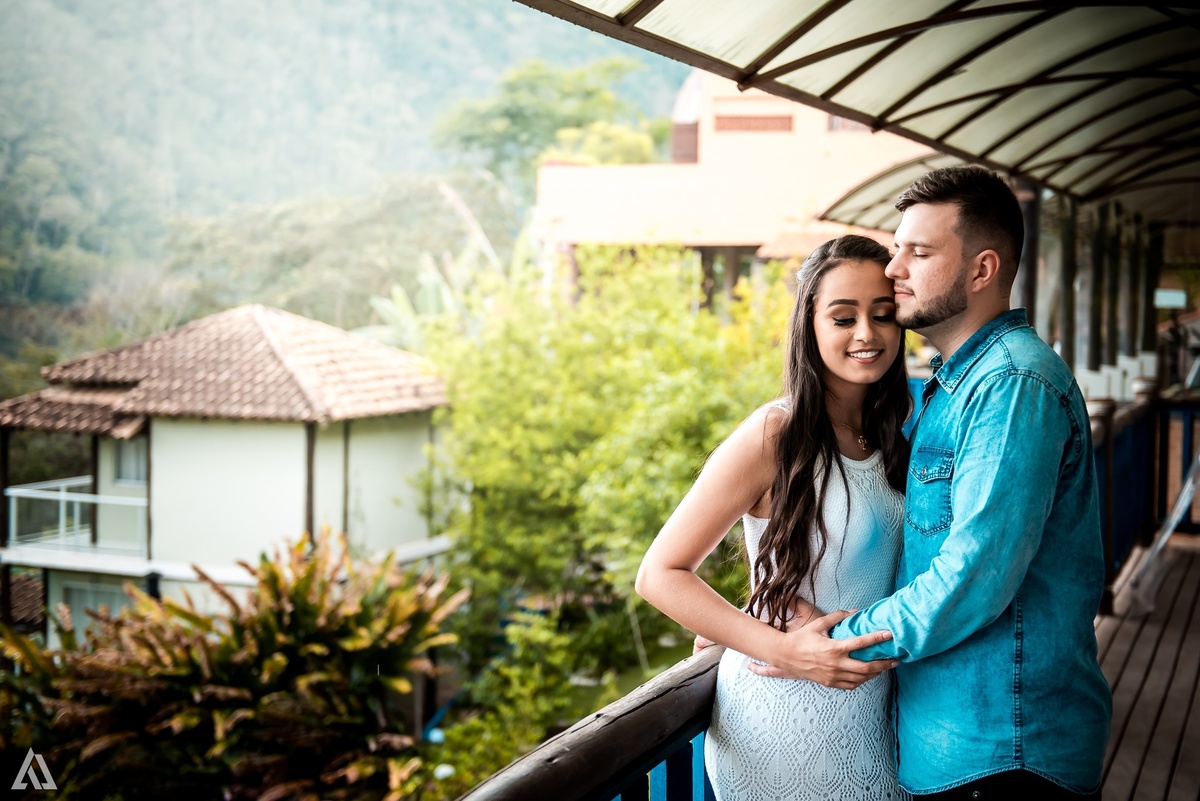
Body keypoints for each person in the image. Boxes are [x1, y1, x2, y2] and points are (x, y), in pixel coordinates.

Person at [771, 165, 1112, 799]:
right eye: (897, 247)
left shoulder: (1012, 385)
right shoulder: (952, 386)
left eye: (918, 252)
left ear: (982, 270)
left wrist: (828, 644)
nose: (894, 268)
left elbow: (973, 578)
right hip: (952, 740)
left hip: (1004, 750)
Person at [635, 234, 913, 801]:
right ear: (808, 325)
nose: (867, 333)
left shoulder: (893, 432)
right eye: (843, 317)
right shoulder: (775, 433)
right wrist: (781, 648)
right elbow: (659, 573)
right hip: (781, 717)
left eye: (883, 315)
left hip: (875, 715)